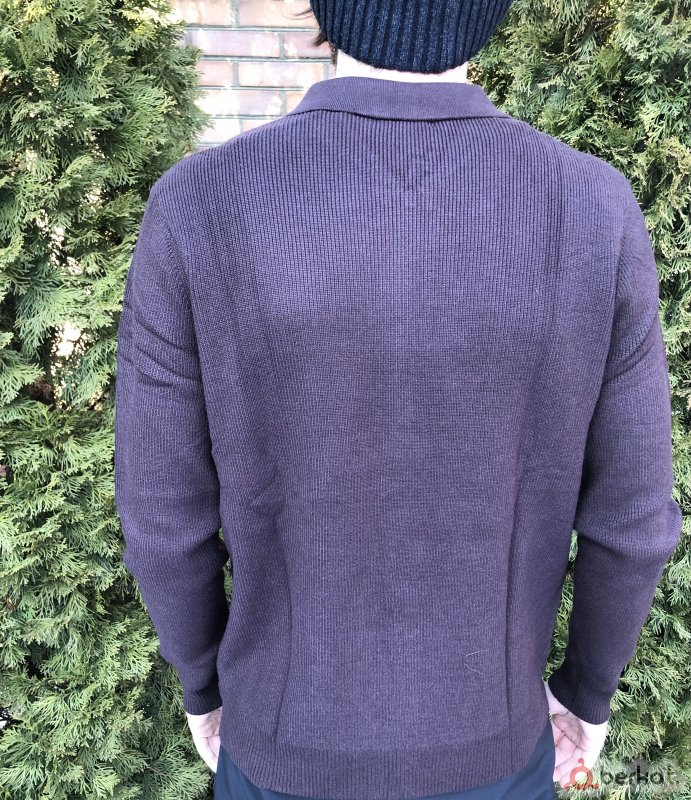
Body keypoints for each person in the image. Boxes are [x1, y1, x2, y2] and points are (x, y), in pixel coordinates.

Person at [113, 1, 684, 799]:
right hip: (497, 751)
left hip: (280, 747)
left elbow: (160, 518)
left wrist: (205, 684)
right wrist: (585, 693)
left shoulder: (198, 203)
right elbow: (632, 524)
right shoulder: (593, 207)